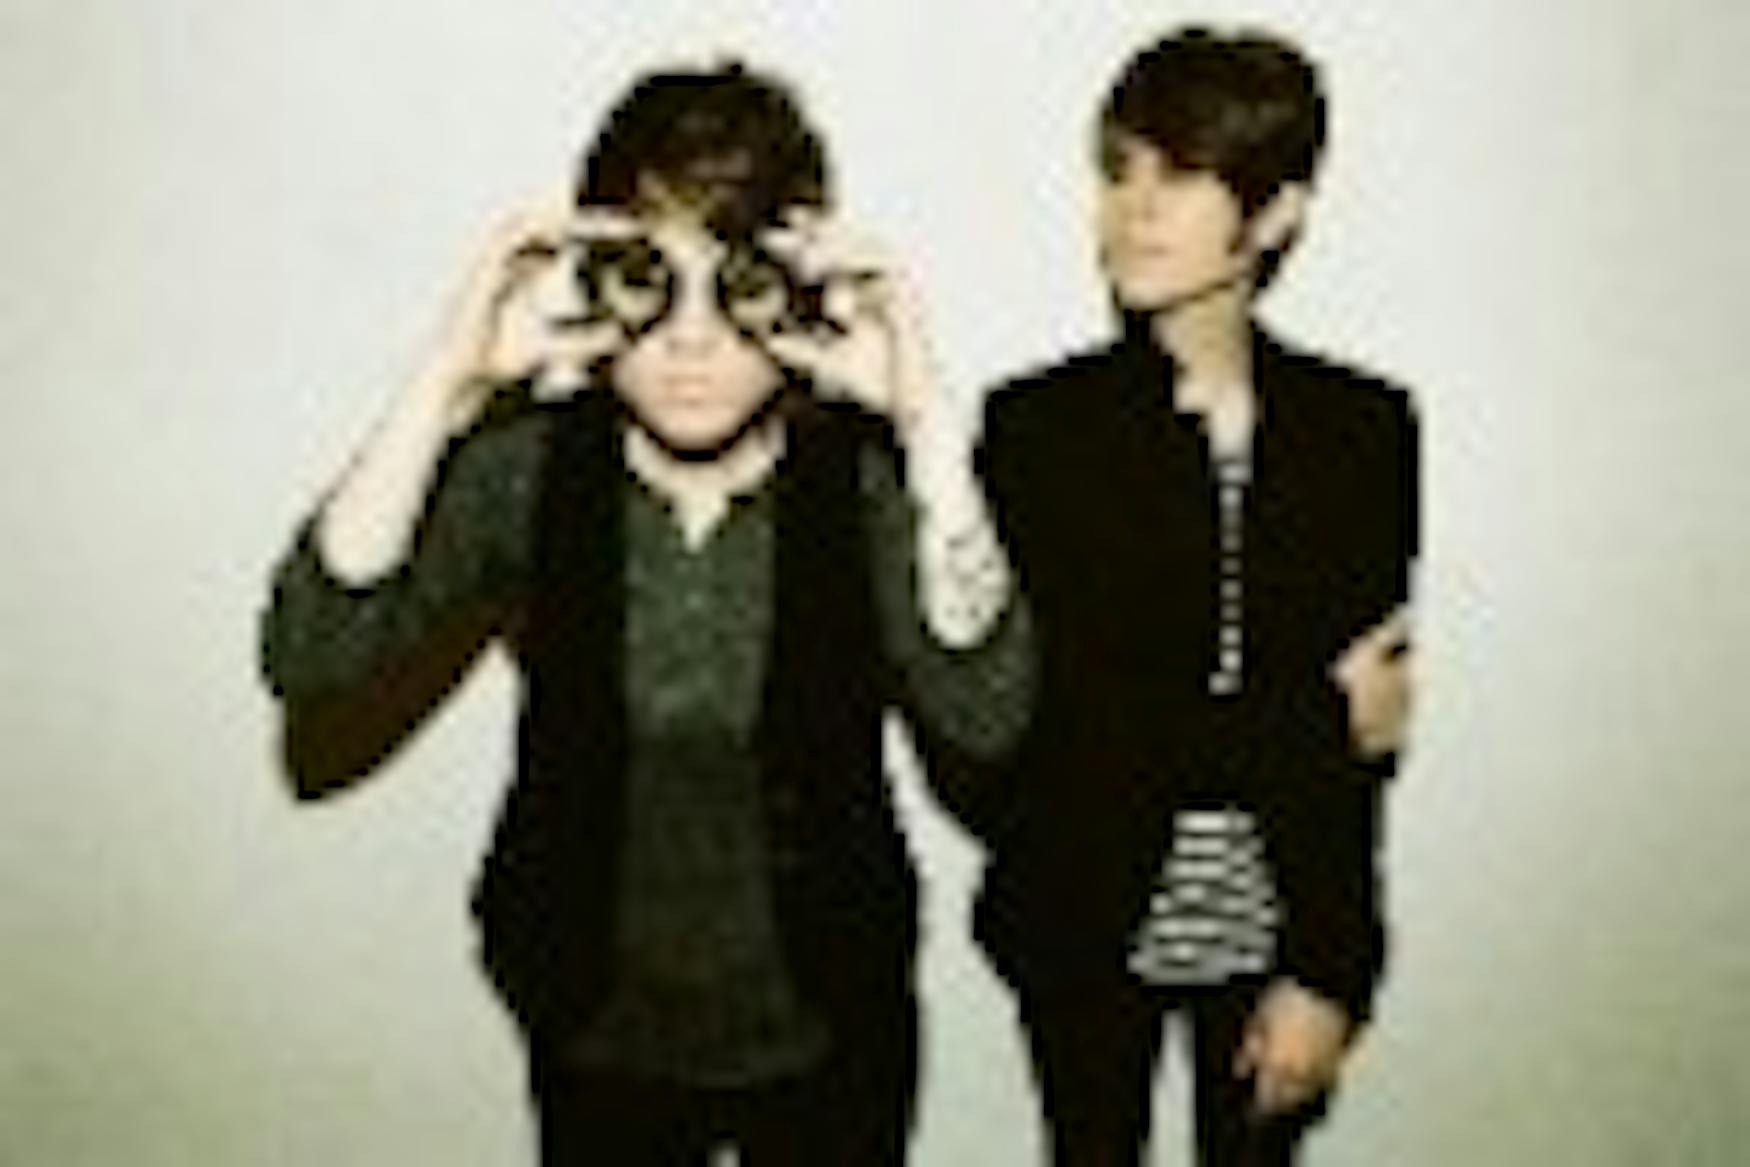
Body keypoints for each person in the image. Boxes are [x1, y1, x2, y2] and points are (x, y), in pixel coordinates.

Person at [258, 62, 1030, 1166]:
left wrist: (928, 430)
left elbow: (990, 717)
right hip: (594, 1022)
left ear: (799, 288)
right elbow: (312, 654)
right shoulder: (531, 473)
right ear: (595, 281)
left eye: (737, 285)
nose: (690, 338)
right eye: (649, 281)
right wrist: (450, 382)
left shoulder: (861, 487)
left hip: (830, 1017)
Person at [966, 28, 1420, 1165]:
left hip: (1276, 931)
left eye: (1179, 175)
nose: (1134, 208)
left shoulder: (1360, 432)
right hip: (1082, 916)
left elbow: (1355, 781)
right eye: (1119, 170)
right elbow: (1063, 731)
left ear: (1273, 214)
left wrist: (1330, 971)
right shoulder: (1037, 432)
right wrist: (1316, 717)